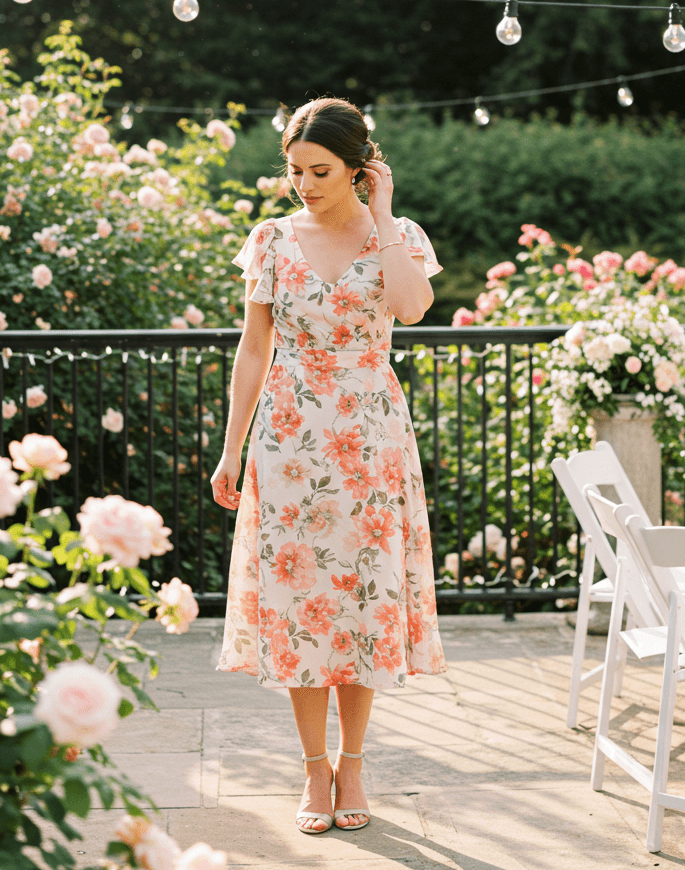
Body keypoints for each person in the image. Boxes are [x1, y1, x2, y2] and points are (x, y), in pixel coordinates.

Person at [210, 97, 446, 835]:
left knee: (359, 601)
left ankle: (354, 763)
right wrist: (232, 445)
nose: (304, 185)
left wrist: (384, 216)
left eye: (320, 171)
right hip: (287, 436)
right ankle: (314, 769)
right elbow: (254, 349)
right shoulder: (272, 239)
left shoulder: (397, 236)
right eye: (295, 171)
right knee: (301, 602)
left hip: (371, 440)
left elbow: (410, 309)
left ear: (357, 168)